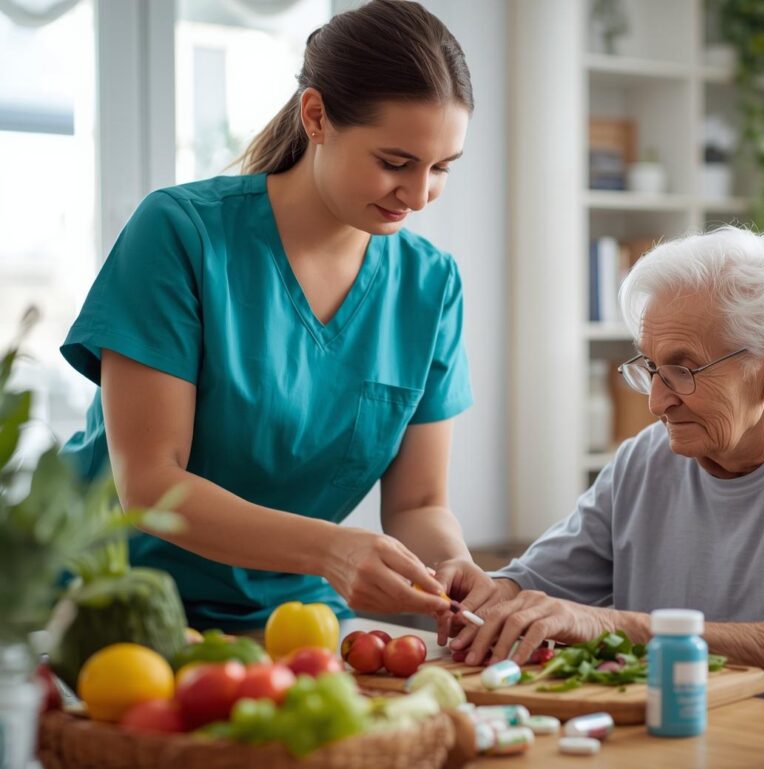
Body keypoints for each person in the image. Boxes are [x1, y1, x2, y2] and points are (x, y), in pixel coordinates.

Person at [60, 0, 492, 631]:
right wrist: (332, 550)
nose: (420, 194)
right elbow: (149, 486)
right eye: (395, 163)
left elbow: (420, 503)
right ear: (315, 116)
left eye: (442, 169)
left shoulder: (432, 285)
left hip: (290, 614)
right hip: (110, 604)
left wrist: (454, 564)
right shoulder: (181, 234)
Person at [441, 227, 764, 728]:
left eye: (683, 370)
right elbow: (537, 587)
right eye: (650, 368)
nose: (656, 402)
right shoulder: (644, 459)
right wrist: (486, 593)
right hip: (693, 739)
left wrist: (617, 627)